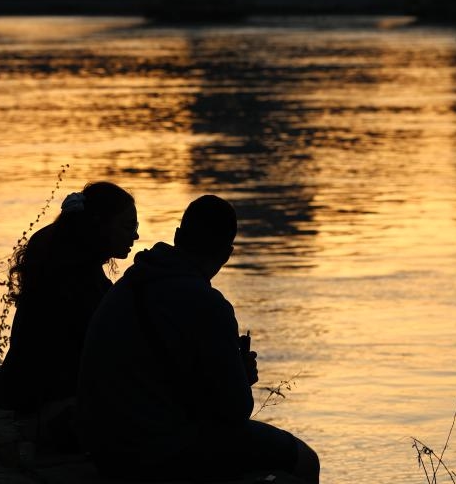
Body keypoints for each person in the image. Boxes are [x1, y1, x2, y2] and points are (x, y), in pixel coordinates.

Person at [78, 194, 319, 482]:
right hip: (156, 453)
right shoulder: (208, 304)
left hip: (105, 448)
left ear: (178, 236)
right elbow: (235, 411)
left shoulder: (128, 285)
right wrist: (241, 377)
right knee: (304, 460)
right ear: (227, 254)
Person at [0, 181, 138, 450]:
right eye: (128, 226)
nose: (135, 236)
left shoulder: (62, 264)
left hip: (33, 412)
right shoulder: (81, 285)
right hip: (54, 417)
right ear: (100, 225)